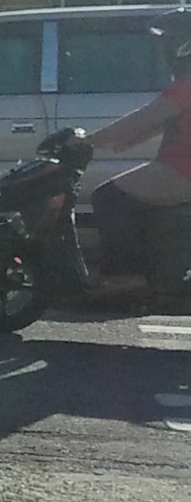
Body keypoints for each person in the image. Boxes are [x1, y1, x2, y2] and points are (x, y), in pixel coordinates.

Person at [90, 16, 191, 303]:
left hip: (182, 170)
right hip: (179, 166)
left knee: (107, 197)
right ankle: (147, 270)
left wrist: (88, 140)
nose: (162, 50)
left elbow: (144, 117)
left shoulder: (186, 86)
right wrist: (124, 142)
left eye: (167, 41)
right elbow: (163, 123)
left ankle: (126, 275)